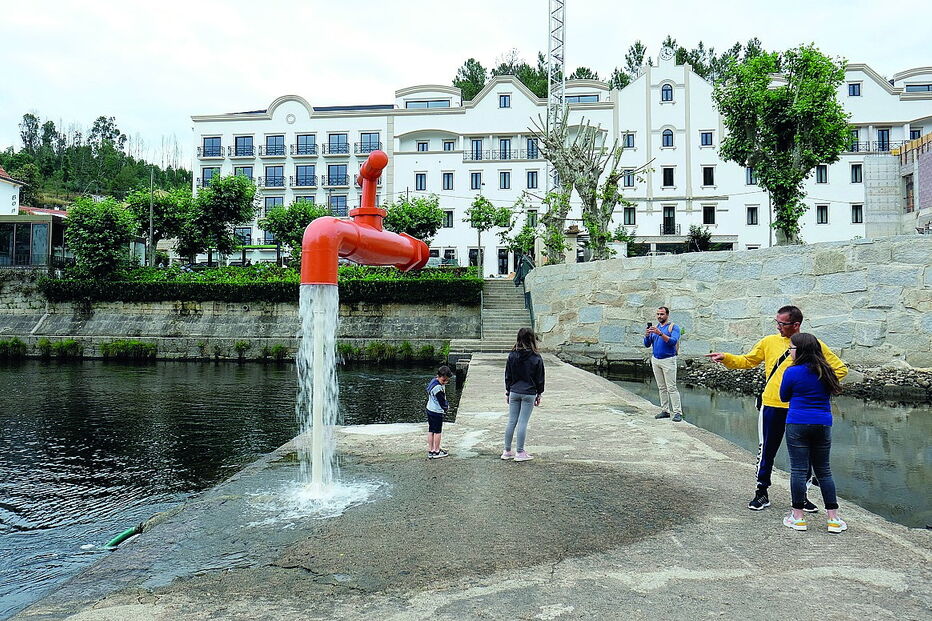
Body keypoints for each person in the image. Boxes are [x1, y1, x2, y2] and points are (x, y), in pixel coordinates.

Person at [706, 305, 847, 511]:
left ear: (795, 325)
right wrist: (727, 358)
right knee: (766, 451)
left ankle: (803, 496)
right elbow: (748, 360)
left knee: (803, 456)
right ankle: (761, 492)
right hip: (771, 405)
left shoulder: (812, 344)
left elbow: (840, 369)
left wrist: (812, 384)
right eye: (777, 322)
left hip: (798, 409)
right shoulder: (769, 342)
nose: (778, 326)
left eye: (782, 323)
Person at [779, 333, 847, 533]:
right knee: (824, 471)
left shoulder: (792, 372)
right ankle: (833, 519)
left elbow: (783, 397)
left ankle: (798, 517)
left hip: (797, 423)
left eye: (791, 348)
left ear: (799, 351)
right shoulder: (826, 371)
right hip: (822, 424)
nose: (789, 351)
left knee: (799, 470)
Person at [503, 328, 545, 462]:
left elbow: (508, 375)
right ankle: (520, 452)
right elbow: (540, 378)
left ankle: (507, 450)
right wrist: (539, 393)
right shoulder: (536, 357)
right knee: (522, 422)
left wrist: (508, 391)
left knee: (511, 421)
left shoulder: (512, 355)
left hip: (514, 391)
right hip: (529, 392)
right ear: (532, 339)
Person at [644, 306, 683, 422]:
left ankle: (677, 412)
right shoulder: (654, 328)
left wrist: (660, 334)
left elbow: (673, 342)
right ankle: (665, 410)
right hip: (656, 359)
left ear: (667, 315)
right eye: (658, 314)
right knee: (661, 387)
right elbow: (647, 344)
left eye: (662, 314)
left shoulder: (673, 327)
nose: (659, 316)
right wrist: (646, 336)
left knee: (671, 387)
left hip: (668, 360)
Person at [425, 366, 453, 459]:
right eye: (444, 380)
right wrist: (446, 407)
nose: (445, 382)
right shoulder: (438, 388)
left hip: (429, 409)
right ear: (440, 376)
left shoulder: (433, 381)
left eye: (446, 380)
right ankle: (437, 451)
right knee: (437, 432)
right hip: (436, 412)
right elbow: (442, 402)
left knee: (431, 430)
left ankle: (431, 450)